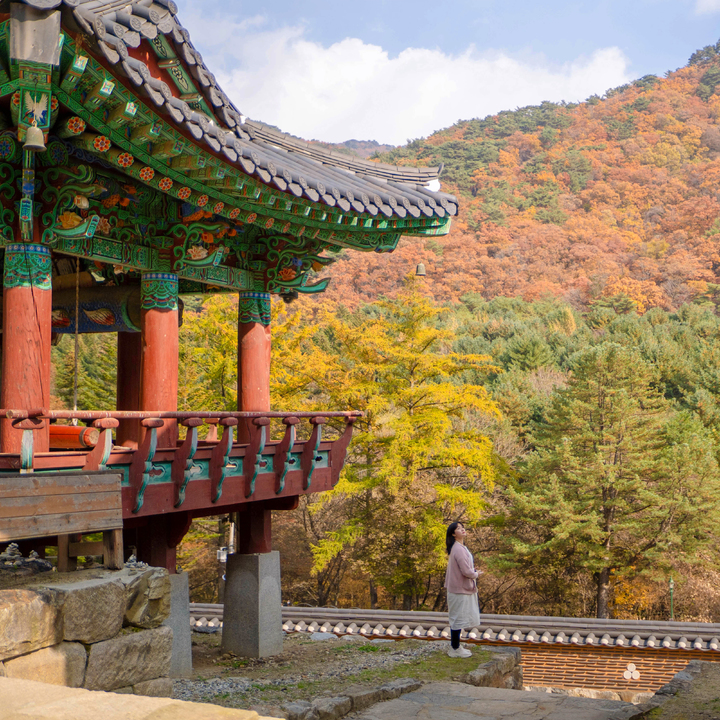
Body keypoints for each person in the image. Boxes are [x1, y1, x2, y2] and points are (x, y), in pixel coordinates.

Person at [444, 521, 481, 658]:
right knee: (457, 618)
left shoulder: (459, 547)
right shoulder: (458, 549)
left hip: (458, 588)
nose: (463, 530)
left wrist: (473, 572)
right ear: (453, 534)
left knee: (457, 617)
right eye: (459, 529)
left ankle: (456, 646)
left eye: (462, 528)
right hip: (458, 589)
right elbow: (466, 571)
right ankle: (454, 648)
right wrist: (475, 574)